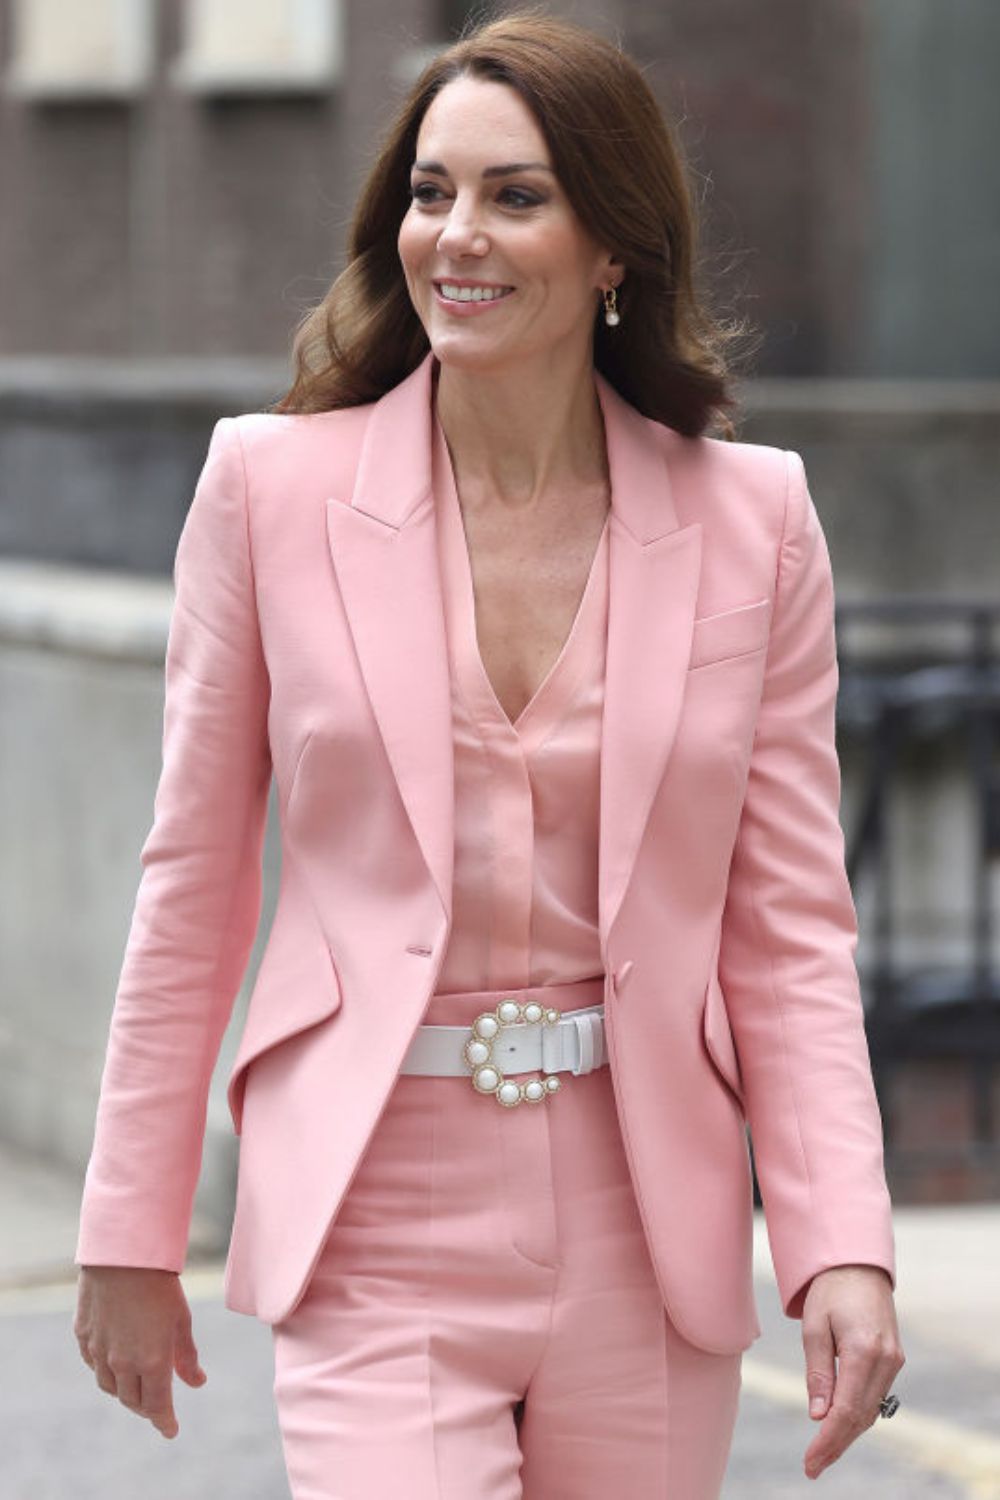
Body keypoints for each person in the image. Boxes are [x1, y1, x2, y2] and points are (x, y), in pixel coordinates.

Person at [72, 11, 905, 1498]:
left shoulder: (754, 523)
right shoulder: (270, 493)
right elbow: (191, 881)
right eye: (429, 189)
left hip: (646, 1220)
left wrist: (844, 1243)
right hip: (378, 1204)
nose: (456, 234)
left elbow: (786, 931)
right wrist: (130, 1229)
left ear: (613, 249)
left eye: (515, 195)